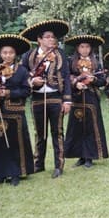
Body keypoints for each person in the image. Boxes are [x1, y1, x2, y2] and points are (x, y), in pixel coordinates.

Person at [20, 20, 72, 178]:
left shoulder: (60, 54)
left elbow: (66, 77)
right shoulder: (29, 55)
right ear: (39, 39)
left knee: (57, 132)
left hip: (55, 97)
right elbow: (22, 76)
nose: (51, 40)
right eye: (48, 37)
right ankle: (38, 163)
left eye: (53, 37)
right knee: (39, 132)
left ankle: (59, 165)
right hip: (37, 98)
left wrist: (67, 100)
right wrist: (31, 82)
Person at [0, 34, 33, 186]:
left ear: (15, 54)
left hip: (16, 112)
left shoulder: (22, 71)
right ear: (0, 54)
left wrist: (9, 93)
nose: (8, 56)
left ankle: (15, 173)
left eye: (10, 53)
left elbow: (26, 91)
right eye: (4, 53)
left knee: (15, 143)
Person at [64, 34, 109, 168]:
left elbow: (102, 80)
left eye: (87, 47)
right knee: (77, 127)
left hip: (91, 98)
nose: (85, 49)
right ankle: (81, 156)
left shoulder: (96, 63)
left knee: (90, 127)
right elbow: (67, 78)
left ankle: (90, 156)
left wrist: (93, 80)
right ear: (78, 48)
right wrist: (75, 83)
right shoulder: (70, 61)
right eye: (82, 47)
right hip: (77, 98)